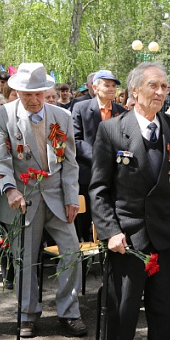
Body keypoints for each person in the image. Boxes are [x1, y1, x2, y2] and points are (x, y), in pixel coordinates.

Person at [90, 62, 170, 340]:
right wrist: (110, 231)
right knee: (123, 305)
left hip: (166, 233)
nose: (161, 92)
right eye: (154, 86)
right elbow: (98, 189)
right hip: (128, 235)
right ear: (134, 91)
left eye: (164, 87)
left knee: (165, 301)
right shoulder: (112, 130)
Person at [0, 63, 87, 338]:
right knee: (25, 260)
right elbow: (0, 158)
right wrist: (10, 189)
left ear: (47, 91)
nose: (33, 100)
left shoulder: (62, 116)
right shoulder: (3, 115)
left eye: (38, 94)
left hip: (57, 196)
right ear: (16, 91)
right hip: (23, 199)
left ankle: (69, 312)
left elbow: (70, 162)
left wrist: (71, 197)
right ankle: (27, 314)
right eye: (26, 94)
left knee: (71, 253)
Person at [72, 70, 125, 242]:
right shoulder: (81, 107)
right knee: (84, 222)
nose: (111, 89)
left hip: (114, 177)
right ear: (94, 87)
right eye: (107, 85)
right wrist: (99, 158)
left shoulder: (121, 111)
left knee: (109, 220)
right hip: (88, 174)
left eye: (113, 86)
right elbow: (76, 140)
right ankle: (84, 265)